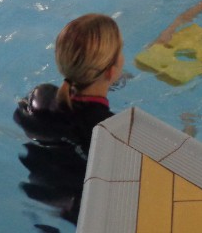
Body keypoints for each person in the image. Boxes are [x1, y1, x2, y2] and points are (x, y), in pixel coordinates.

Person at [13, 13, 125, 224]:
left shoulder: (39, 97)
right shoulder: (113, 131)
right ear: (111, 72)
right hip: (82, 212)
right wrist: (188, 126)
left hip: (39, 191)